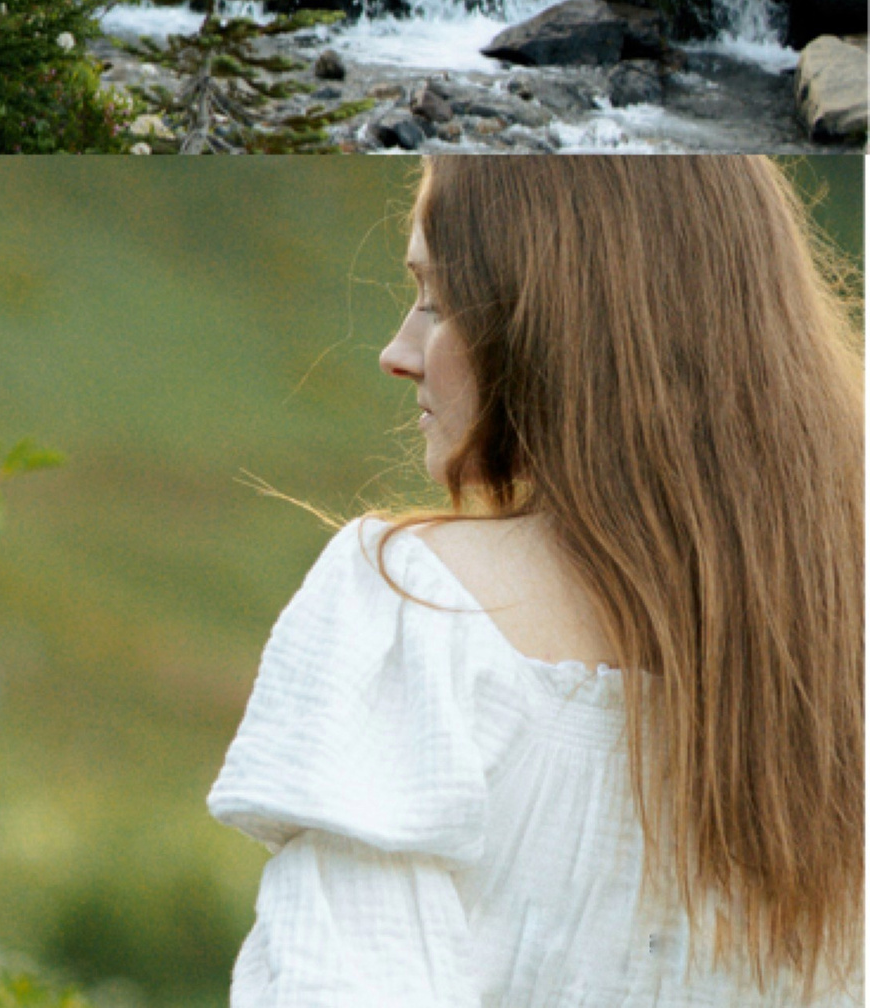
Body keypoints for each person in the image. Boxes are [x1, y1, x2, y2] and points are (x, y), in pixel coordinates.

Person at [210, 155, 863, 1007]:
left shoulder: (415, 606)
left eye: (437, 301)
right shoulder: (842, 639)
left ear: (556, 319)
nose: (397, 352)